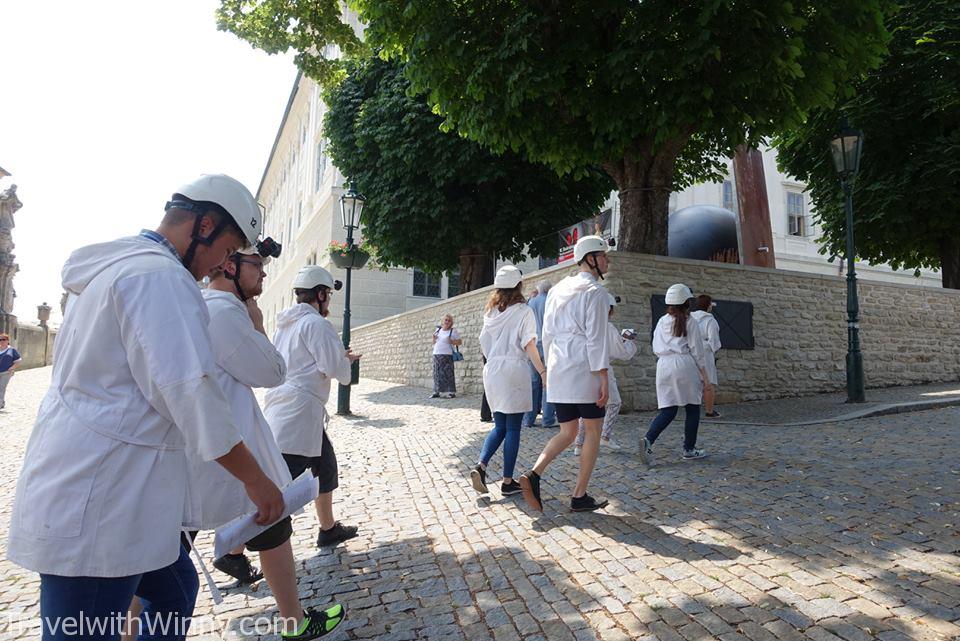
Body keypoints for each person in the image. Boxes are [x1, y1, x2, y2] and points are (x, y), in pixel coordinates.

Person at [6, 174, 286, 641]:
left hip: (111, 486)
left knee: (174, 590)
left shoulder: (123, 267)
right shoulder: (161, 279)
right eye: (228, 247)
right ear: (205, 226)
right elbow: (191, 393)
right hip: (104, 498)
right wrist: (258, 482)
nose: (224, 262)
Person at [189, 242, 346, 639]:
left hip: (231, 432)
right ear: (229, 265)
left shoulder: (212, 309)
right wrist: (255, 321)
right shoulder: (226, 312)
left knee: (274, 517)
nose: (262, 274)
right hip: (223, 440)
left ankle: (292, 617)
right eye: (256, 265)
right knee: (170, 554)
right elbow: (272, 369)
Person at [265, 265, 362, 549]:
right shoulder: (316, 324)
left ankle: (328, 528)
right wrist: (345, 361)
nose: (329, 301)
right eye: (328, 295)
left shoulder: (285, 326)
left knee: (326, 467)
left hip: (290, 409)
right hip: (298, 415)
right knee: (279, 485)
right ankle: (234, 551)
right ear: (320, 294)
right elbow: (335, 369)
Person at [519, 235, 612, 513]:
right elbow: (596, 338)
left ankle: (534, 473)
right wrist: (603, 376)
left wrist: (548, 370)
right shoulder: (595, 292)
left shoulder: (557, 289)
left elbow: (545, 334)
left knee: (567, 431)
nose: (607, 260)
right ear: (591, 259)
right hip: (584, 368)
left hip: (560, 366)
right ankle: (579, 494)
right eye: (603, 255)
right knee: (592, 431)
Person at [470, 266, 546, 496]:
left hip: (492, 369)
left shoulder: (491, 313)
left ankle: (481, 466)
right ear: (518, 286)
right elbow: (529, 345)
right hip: (513, 368)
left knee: (500, 426)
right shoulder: (524, 311)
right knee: (513, 427)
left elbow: (484, 342)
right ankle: (506, 480)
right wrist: (542, 372)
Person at [639, 284, 710, 466]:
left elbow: (655, 345)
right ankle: (689, 449)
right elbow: (697, 350)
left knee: (668, 409)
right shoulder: (690, 321)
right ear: (687, 302)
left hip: (663, 365)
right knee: (692, 408)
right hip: (684, 364)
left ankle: (648, 440)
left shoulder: (662, 321)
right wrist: (705, 376)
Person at [574, 292, 637, 453]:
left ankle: (579, 444)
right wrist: (628, 341)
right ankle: (605, 437)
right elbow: (621, 352)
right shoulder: (608, 327)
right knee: (614, 402)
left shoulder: (585, 325)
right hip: (602, 368)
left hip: (585, 368)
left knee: (587, 405)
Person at [521, 279, 558, 428]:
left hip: (533, 344)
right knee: (547, 382)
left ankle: (528, 419)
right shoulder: (550, 302)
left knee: (533, 383)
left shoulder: (531, 303)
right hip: (547, 344)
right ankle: (547, 419)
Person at [691, 294, 722, 418]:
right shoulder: (710, 320)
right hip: (705, 350)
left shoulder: (690, 319)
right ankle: (709, 410)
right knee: (708, 381)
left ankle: (693, 410)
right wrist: (714, 349)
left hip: (691, 349)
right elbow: (713, 339)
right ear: (708, 306)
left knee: (694, 381)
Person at [430, 313, 461, 398]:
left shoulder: (453, 331)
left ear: (451, 323)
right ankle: (436, 391)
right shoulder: (438, 330)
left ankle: (451, 392)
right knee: (437, 374)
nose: (447, 321)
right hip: (436, 353)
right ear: (443, 321)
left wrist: (452, 341)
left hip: (447, 355)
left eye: (449, 320)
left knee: (448, 373)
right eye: (446, 320)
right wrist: (433, 339)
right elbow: (433, 343)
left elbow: (459, 342)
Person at [0, 333, 21, 410]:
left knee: (1, 387)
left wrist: (12, 367)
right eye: (0, 339)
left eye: (3, 339)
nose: (1, 341)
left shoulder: (11, 350)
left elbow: (18, 361)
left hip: (6, 372)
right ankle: (2, 402)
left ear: (8, 341)